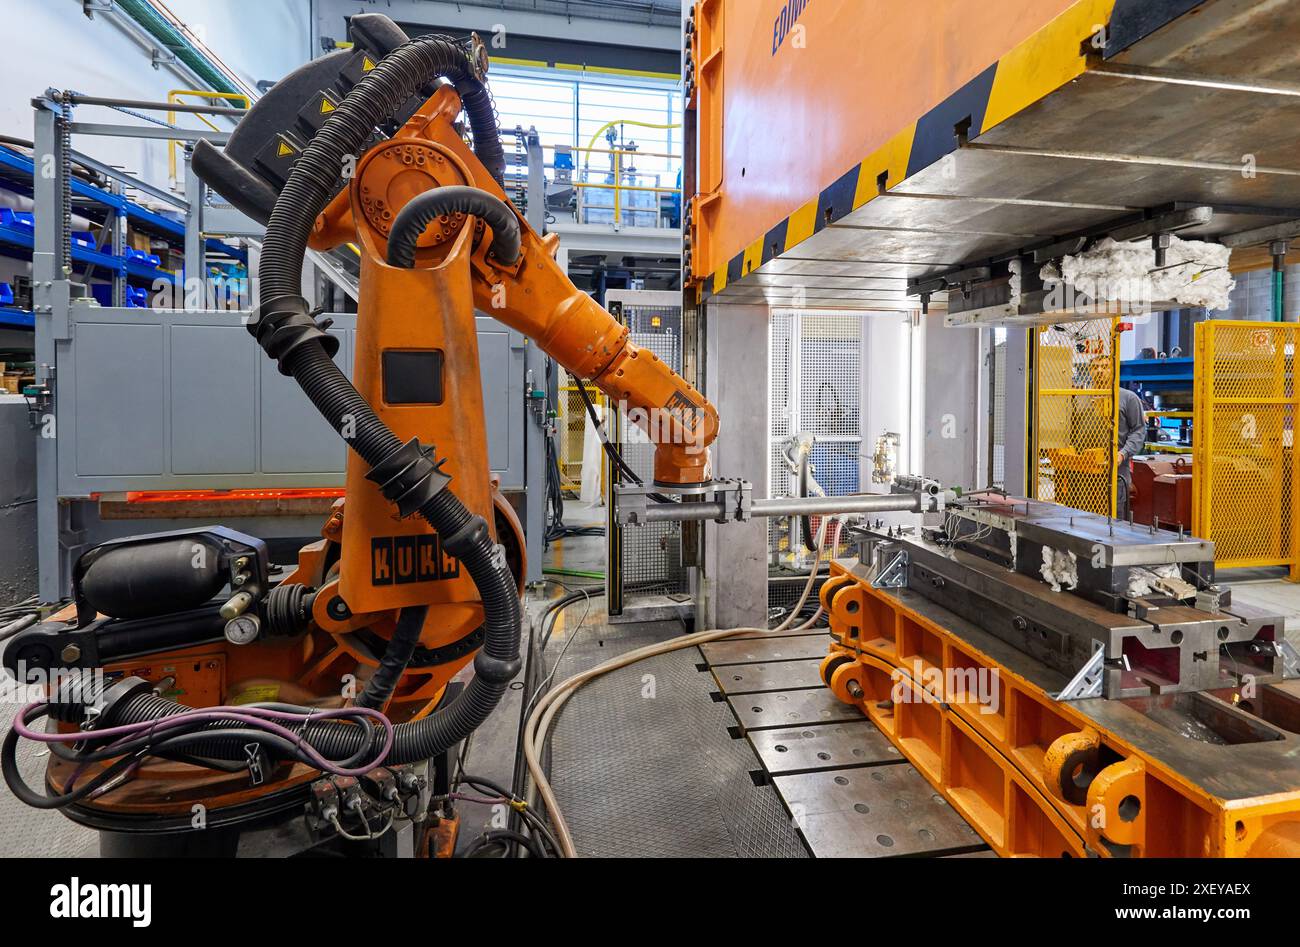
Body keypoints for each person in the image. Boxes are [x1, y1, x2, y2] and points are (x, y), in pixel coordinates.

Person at [1087, 355, 1146, 517]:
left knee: (1114, 521)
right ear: (1089, 370)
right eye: (1095, 367)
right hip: (1083, 474)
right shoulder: (1080, 397)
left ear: (1114, 371)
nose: (1099, 371)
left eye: (1105, 367)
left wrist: (1123, 453)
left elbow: (1139, 430)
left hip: (1115, 473)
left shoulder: (1128, 399)